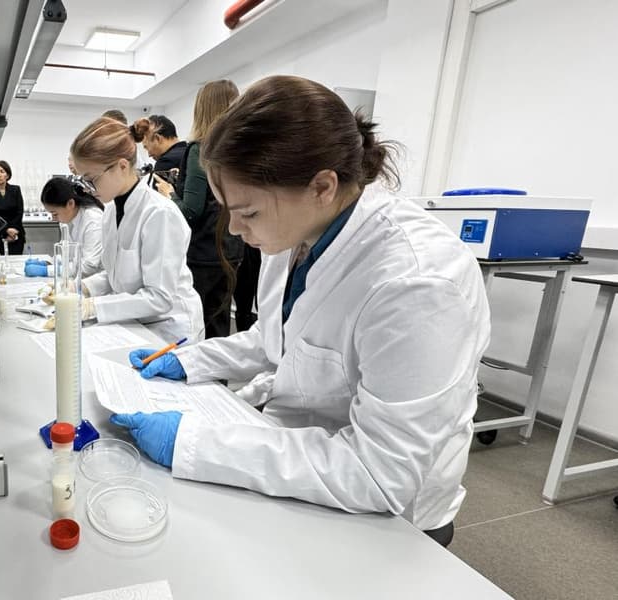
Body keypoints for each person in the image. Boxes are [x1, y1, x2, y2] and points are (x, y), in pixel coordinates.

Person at [110, 75, 491, 547]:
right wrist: (189, 360)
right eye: (230, 210)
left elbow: (380, 473)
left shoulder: (417, 284)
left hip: (385, 519)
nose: (236, 229)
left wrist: (194, 443)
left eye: (248, 213)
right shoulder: (301, 230)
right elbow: (278, 337)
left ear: (322, 186)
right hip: (297, 461)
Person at [48, 117, 204, 341]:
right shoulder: (111, 211)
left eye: (91, 179)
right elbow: (117, 277)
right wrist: (79, 287)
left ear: (122, 166)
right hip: (135, 323)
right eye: (83, 181)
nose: (87, 189)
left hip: (170, 330)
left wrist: (92, 307)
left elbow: (159, 298)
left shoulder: (159, 213)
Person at [154, 80, 245, 339]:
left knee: (194, 326)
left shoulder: (200, 150)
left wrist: (169, 194)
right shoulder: (239, 150)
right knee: (219, 325)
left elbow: (190, 211)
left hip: (203, 253)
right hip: (232, 249)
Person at [39, 177, 104, 277]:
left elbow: (89, 266)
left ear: (70, 204)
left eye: (55, 214)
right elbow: (66, 255)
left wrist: (47, 271)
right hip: (76, 280)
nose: (53, 219)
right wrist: (49, 262)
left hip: (96, 281)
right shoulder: (67, 220)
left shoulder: (93, 220)